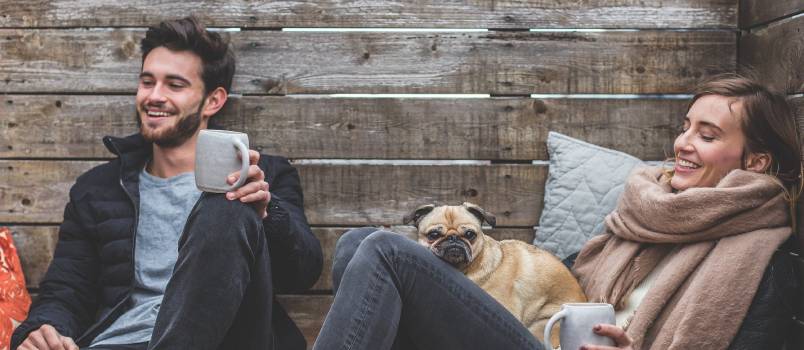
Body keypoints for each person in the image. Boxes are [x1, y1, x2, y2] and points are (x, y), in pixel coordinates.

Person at [312, 74, 800, 350]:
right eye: (685, 126)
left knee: (383, 249)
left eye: (707, 135)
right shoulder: (653, 209)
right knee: (359, 242)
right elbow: (573, 281)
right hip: (554, 337)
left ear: (755, 162)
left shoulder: (761, 258)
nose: (683, 144)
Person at [11, 17, 322, 350]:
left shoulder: (265, 176)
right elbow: (66, 291)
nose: (154, 96)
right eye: (147, 82)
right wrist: (43, 330)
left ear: (213, 101)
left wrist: (266, 211)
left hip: (226, 340)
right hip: (117, 344)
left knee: (227, 203)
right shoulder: (97, 189)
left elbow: (302, 273)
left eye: (174, 85)